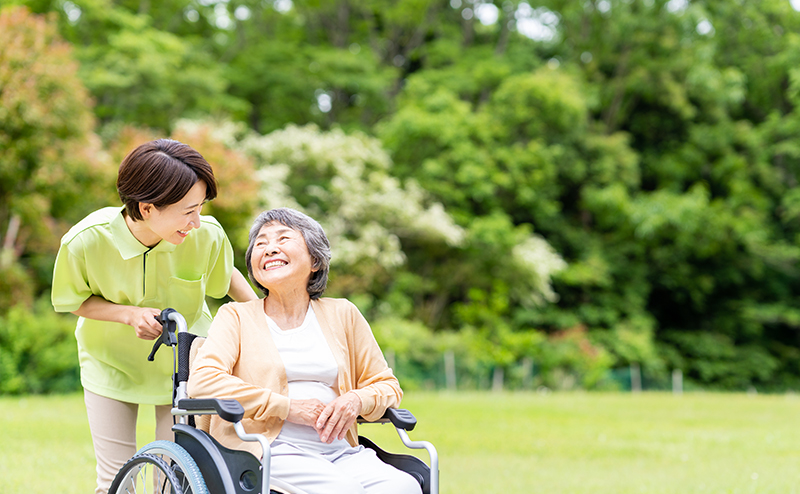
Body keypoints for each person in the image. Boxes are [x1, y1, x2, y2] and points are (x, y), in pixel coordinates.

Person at [51, 139, 258, 494]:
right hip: (110, 363)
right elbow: (73, 300)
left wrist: (266, 324)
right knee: (116, 480)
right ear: (147, 208)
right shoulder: (84, 242)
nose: (196, 221)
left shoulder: (206, 236)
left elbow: (228, 280)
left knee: (176, 478)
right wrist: (128, 314)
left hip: (185, 365)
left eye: (200, 207)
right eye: (187, 210)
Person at [187, 207, 422, 494]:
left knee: (404, 486)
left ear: (315, 259)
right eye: (260, 244)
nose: (270, 249)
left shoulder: (343, 313)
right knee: (343, 491)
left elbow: (387, 386)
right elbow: (203, 382)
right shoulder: (235, 316)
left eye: (283, 239)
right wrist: (287, 407)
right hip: (267, 449)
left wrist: (355, 400)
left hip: (339, 451)